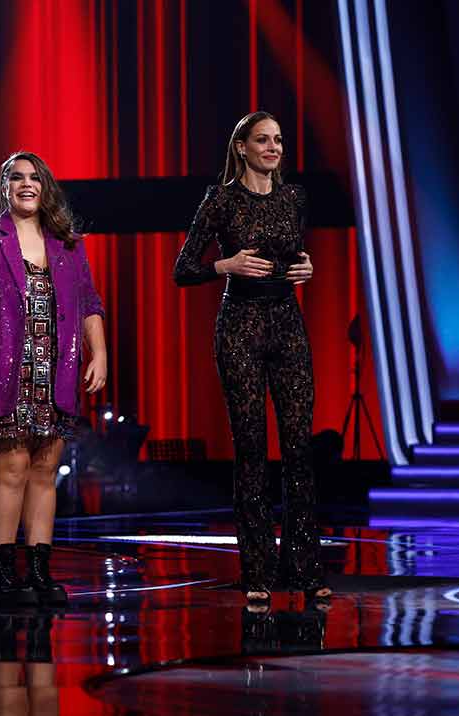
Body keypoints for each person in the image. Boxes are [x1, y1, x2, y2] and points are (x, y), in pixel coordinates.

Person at [173, 110, 330, 605]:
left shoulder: (293, 198)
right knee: (252, 448)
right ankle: (257, 570)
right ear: (241, 147)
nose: (273, 147)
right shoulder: (221, 200)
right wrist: (227, 264)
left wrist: (305, 266)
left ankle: (304, 568)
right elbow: (183, 268)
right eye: (263, 140)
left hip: (286, 323)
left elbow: (293, 254)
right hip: (239, 325)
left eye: (278, 140)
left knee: (299, 447)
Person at [0, 151, 107, 608]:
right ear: (4, 187)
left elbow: (89, 303)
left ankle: (39, 572)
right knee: (11, 471)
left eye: (34, 177)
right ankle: (3, 574)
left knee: (43, 473)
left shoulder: (68, 244)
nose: (26, 184)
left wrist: (101, 353)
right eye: (16, 177)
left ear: (46, 185)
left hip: (55, 372)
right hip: (5, 375)